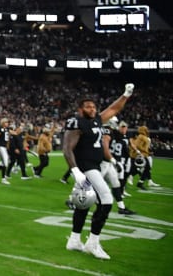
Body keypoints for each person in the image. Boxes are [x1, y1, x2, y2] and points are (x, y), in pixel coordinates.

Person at [64, 83, 134, 260]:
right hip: (87, 168)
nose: (92, 109)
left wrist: (125, 95)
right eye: (88, 106)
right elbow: (67, 149)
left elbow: (113, 108)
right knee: (107, 199)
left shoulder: (96, 120)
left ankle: (74, 240)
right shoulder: (76, 122)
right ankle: (93, 243)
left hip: (93, 166)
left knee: (84, 204)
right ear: (80, 109)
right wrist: (75, 171)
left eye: (94, 106)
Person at [100, 122, 135, 215]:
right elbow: (105, 148)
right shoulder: (106, 131)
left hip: (108, 163)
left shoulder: (113, 133)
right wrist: (114, 161)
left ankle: (121, 207)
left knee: (116, 184)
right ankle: (72, 199)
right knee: (90, 183)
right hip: (102, 162)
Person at [129, 126, 155, 190]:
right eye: (146, 129)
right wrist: (145, 150)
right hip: (141, 155)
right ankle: (132, 176)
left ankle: (140, 182)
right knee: (144, 168)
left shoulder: (143, 136)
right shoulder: (141, 136)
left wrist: (147, 151)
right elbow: (138, 146)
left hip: (143, 154)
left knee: (145, 168)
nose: (147, 130)